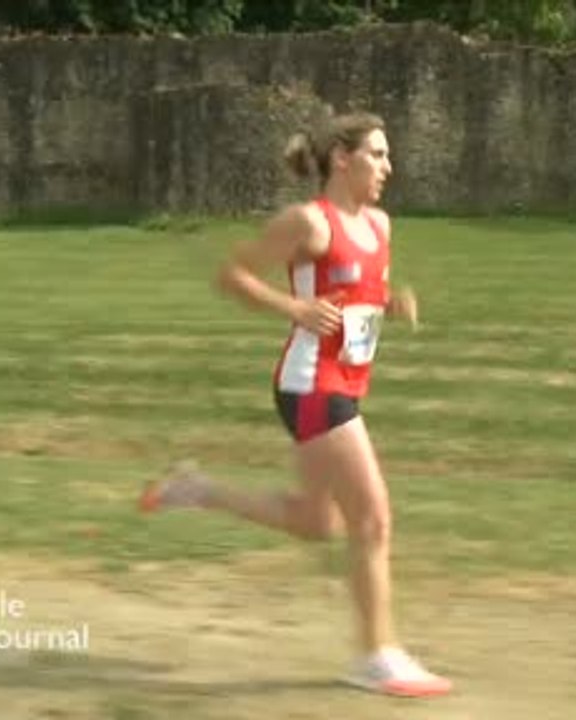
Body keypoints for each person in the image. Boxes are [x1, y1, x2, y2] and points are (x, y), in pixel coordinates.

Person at [137, 111, 452, 698]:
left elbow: (358, 291)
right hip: (312, 384)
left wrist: (391, 303)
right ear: (342, 158)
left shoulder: (380, 225)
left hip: (347, 382)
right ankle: (377, 656)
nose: (389, 166)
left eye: (388, 156)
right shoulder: (308, 223)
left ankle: (197, 489)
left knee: (316, 523)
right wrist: (295, 310)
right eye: (378, 154)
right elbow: (232, 275)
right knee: (373, 518)